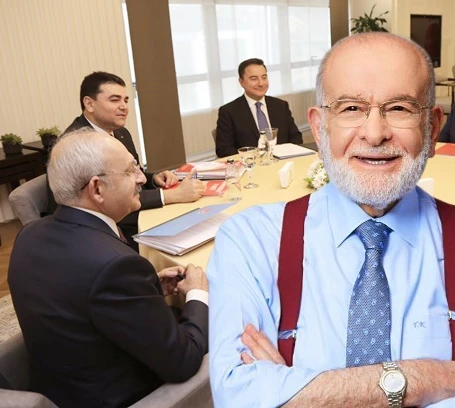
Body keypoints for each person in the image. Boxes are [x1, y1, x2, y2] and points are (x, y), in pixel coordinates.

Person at [207, 32, 455, 407]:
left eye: (399, 108)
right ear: (320, 129)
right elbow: (237, 397)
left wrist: (292, 392)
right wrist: (420, 380)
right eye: (351, 108)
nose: (375, 133)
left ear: (431, 129)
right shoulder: (250, 240)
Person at [8, 129, 209, 408]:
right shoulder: (115, 265)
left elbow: (80, 296)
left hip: (58, 386)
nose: (141, 178)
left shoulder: (29, 235)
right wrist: (197, 294)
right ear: (97, 189)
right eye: (130, 171)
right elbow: (184, 361)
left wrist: (146, 289)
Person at [46, 71, 204, 250]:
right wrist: (171, 195)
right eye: (115, 100)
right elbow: (109, 196)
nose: (124, 107)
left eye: (126, 100)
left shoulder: (120, 133)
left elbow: (129, 175)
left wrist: (153, 178)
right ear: (89, 103)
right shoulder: (75, 146)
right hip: (101, 233)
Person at [214, 58, 303, 157]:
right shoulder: (229, 112)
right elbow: (223, 149)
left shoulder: (281, 105)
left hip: (284, 161)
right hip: (250, 164)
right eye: (254, 79)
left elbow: (296, 137)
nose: (261, 83)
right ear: (241, 82)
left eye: (264, 77)